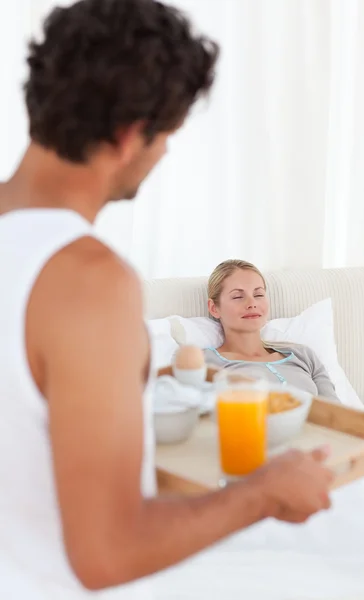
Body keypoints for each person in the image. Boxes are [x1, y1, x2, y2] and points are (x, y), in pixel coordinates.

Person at [0, 1, 333, 598]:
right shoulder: (88, 279)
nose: (166, 153)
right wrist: (264, 490)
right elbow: (107, 553)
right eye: (168, 135)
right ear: (131, 136)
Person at [206, 259, 340, 403]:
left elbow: (336, 413)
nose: (252, 304)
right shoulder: (206, 362)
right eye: (238, 296)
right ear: (214, 308)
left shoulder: (303, 355)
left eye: (258, 295)